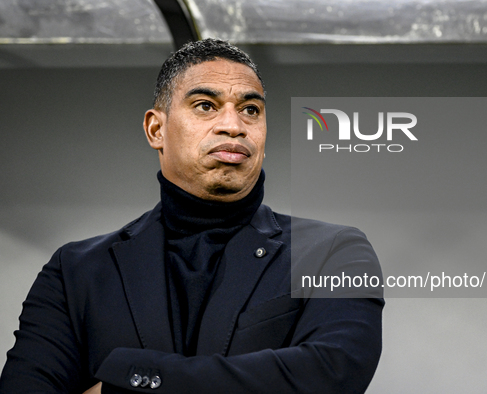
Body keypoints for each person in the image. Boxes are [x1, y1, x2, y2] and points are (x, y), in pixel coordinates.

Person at [0, 39, 383, 393]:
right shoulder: (76, 271)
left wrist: (124, 388)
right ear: (156, 129)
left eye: (251, 110)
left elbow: (332, 373)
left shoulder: (334, 252)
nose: (233, 126)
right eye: (205, 105)